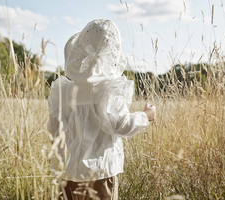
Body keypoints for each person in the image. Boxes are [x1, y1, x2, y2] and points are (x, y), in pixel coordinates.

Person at [47, 19, 156, 200]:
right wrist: (146, 116)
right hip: (100, 174)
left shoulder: (63, 91)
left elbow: (53, 131)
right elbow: (120, 125)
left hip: (66, 172)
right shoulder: (107, 90)